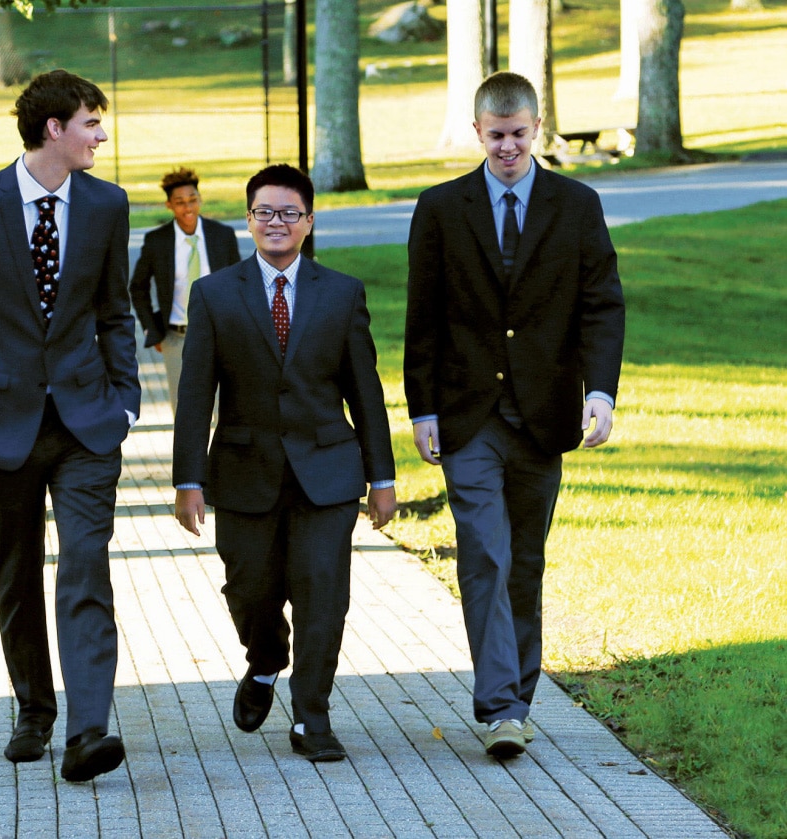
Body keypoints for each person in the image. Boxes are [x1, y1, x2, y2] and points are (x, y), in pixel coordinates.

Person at [403, 72, 625, 758]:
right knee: (484, 554)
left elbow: (601, 304)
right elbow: (424, 317)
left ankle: (517, 700)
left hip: (546, 411)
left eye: (519, 135)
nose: (507, 147)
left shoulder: (577, 204)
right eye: (495, 136)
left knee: (525, 560)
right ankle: (500, 705)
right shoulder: (440, 208)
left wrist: (600, 391)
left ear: (537, 129)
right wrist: (423, 408)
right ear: (477, 132)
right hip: (469, 416)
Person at [0, 69, 141, 782]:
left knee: (86, 562)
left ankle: (88, 732)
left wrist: (128, 401)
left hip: (87, 423)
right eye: (91, 122)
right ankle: (34, 709)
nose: (100, 135)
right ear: (54, 128)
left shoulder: (108, 205)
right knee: (16, 571)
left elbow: (116, 311)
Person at [173, 163, 398, 762]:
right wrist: (187, 480)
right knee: (249, 590)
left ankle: (311, 719)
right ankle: (266, 659)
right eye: (265, 212)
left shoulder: (342, 292)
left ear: (309, 222)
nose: (277, 222)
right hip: (245, 473)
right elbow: (196, 394)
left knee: (323, 594)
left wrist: (383, 477)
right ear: (248, 221)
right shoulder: (214, 295)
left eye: (289, 213)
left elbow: (365, 391)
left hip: (327, 472)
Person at [129, 166, 241, 414]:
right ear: (169, 205)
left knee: (225, 410)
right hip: (176, 338)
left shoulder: (222, 235)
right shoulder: (157, 242)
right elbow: (137, 287)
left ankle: (219, 455)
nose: (188, 208)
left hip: (220, 336)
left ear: (200, 199)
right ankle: (190, 455)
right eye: (180, 202)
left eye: (192, 200)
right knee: (185, 411)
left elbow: (240, 284)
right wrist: (152, 329)